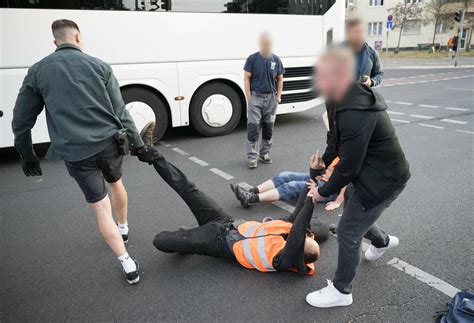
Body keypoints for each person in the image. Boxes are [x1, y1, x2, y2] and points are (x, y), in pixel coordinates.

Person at [11, 19, 159, 285]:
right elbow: (121, 111)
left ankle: (128, 265)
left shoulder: (37, 71)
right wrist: (139, 145)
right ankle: (123, 228)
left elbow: (21, 119)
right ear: (78, 38)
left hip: (75, 152)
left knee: (100, 207)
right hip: (109, 144)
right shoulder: (100, 66)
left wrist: (26, 153)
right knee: (116, 183)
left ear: (55, 42)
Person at [305, 48, 410, 308]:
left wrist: (323, 190)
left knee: (349, 231)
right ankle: (382, 241)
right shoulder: (335, 98)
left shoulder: (356, 108)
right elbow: (335, 140)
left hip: (384, 179)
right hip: (370, 172)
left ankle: (342, 291)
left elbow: (349, 165)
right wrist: (323, 165)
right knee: (354, 205)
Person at [150, 152, 331, 275]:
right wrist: (314, 175)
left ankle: (185, 242)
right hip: (227, 220)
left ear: (297, 249)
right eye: (309, 236)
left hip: (218, 242)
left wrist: (311, 199)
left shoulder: (284, 260)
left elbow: (299, 231)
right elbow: (300, 221)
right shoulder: (291, 231)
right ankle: (152, 154)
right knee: (190, 189)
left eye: (306, 239)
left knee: (161, 240)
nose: (307, 234)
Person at [230, 153, 345, 211]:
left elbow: (348, 182)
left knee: (292, 186)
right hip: (323, 178)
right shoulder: (340, 141)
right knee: (285, 175)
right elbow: (326, 116)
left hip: (331, 189)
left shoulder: (352, 151)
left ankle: (250, 199)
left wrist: (338, 202)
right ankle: (251, 191)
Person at [244, 32, 285, 169]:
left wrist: (278, 97)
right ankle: (252, 157)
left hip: (271, 99)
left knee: (268, 129)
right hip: (256, 98)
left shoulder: (276, 60)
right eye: (264, 43)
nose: (266, 45)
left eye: (269, 43)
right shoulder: (252, 59)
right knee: (253, 128)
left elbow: (280, 79)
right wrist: (249, 98)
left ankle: (264, 153)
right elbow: (246, 78)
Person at [345, 17, 384, 87]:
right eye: (355, 32)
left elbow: (379, 74)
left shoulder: (372, 53)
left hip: (364, 95)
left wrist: (371, 82)